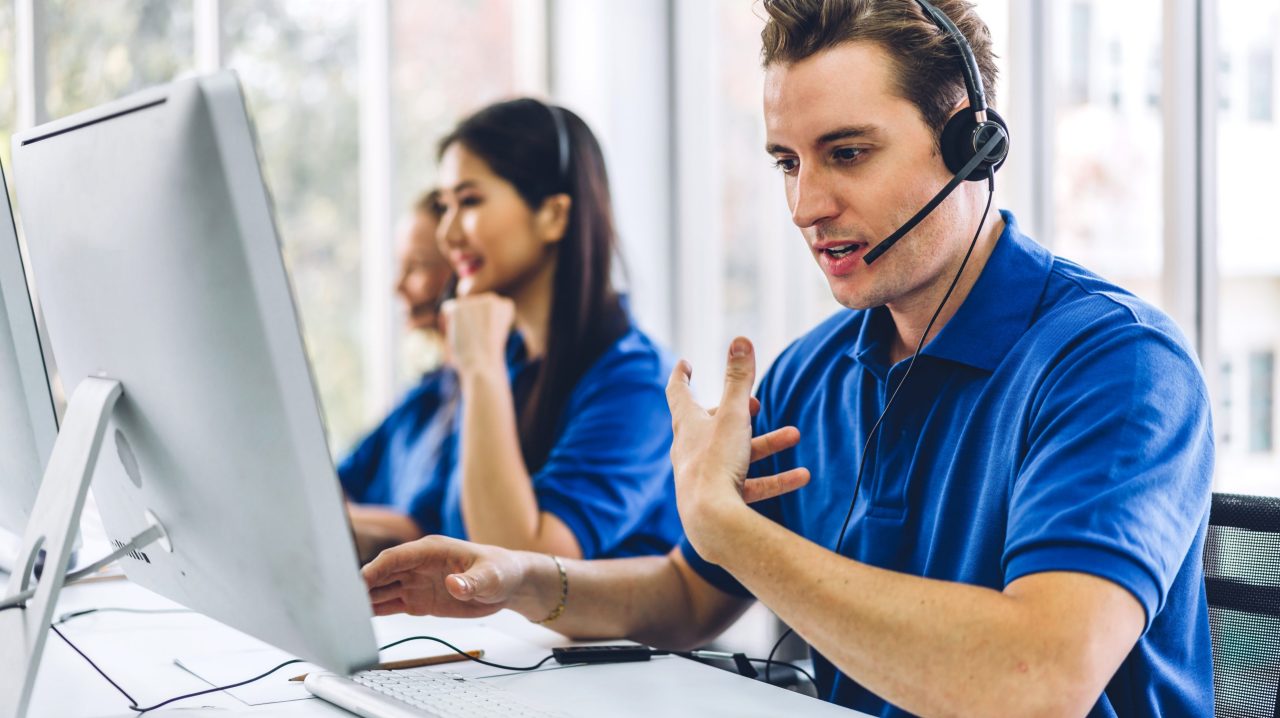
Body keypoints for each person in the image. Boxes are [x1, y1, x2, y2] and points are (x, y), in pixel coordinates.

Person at [361, 2, 1214, 715]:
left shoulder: (1119, 366)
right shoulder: (817, 369)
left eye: (847, 153)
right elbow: (689, 594)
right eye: (786, 162)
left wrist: (730, 530)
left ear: (970, 147)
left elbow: (1040, 680)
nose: (806, 205)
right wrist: (518, 578)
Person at [422, 97, 680, 561]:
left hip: (588, 636)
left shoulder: (637, 383)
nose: (447, 234)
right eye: (444, 206)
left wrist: (480, 366)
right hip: (495, 635)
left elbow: (522, 564)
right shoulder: (517, 362)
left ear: (555, 215)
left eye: (470, 201)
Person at [339, 190, 457, 562]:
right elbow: (336, 483)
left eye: (417, 266)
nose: (397, 285)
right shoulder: (423, 397)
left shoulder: (488, 403)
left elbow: (426, 531)